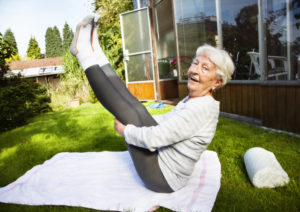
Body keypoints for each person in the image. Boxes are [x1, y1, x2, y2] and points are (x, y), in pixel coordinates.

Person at [70, 14, 235, 193]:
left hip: (163, 177)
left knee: (132, 114)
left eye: (205, 69)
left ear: (217, 82)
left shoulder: (201, 110)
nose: (195, 70)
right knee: (137, 108)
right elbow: (168, 120)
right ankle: (95, 51)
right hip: (162, 161)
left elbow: (155, 138)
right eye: (195, 63)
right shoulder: (196, 99)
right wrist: (143, 116)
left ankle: (83, 54)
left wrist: (126, 131)